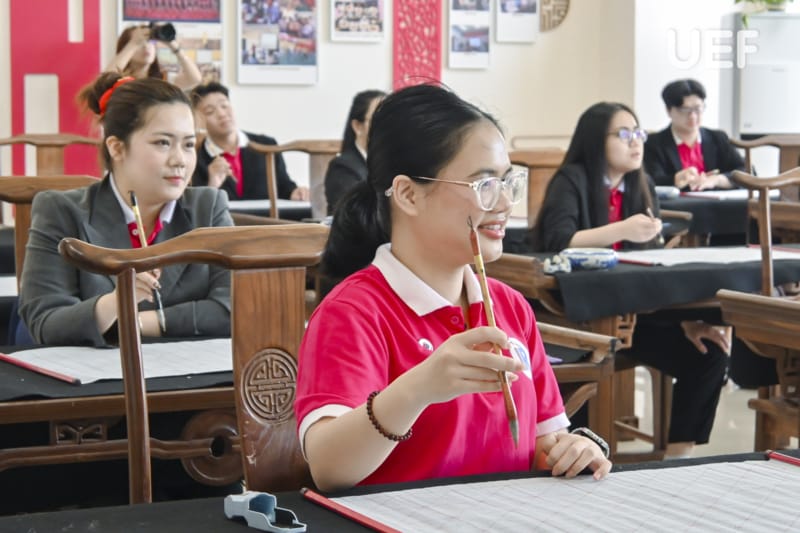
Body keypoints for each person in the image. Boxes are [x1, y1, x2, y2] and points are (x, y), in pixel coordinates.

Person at [295, 84, 612, 492]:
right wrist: (419, 388)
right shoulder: (353, 312)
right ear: (408, 194)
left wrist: (573, 450)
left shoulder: (510, 306)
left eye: (507, 182)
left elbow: (542, 443)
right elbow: (329, 468)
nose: (505, 204)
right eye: (485, 185)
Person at [534, 102, 729, 459]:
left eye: (638, 133)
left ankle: (677, 458)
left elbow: (651, 268)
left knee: (707, 352)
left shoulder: (641, 184)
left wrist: (684, 320)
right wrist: (621, 230)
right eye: (624, 134)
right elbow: (558, 242)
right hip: (576, 317)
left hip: (635, 316)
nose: (636, 141)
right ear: (596, 140)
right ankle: (581, 457)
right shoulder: (572, 179)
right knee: (587, 368)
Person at [19, 72, 232, 346]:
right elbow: (46, 322)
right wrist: (116, 301)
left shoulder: (209, 207)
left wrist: (136, 323)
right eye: (163, 143)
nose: (180, 160)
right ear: (117, 148)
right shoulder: (60, 211)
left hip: (190, 370)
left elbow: (234, 307)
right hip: (96, 373)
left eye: (189, 144)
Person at [190, 82, 310, 201]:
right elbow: (194, 205)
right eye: (210, 111)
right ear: (199, 121)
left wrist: (296, 193)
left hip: (266, 214)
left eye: (224, 106)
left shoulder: (267, 145)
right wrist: (212, 184)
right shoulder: (195, 156)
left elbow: (284, 186)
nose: (221, 114)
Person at [644, 79, 745, 191]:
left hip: (718, 200)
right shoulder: (654, 143)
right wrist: (674, 180)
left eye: (697, 109)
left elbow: (747, 171)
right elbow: (648, 180)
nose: (692, 116)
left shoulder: (718, 138)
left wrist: (718, 180)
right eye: (684, 110)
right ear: (668, 110)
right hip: (677, 202)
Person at [324, 89, 385, 215]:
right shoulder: (343, 168)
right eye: (378, 119)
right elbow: (356, 217)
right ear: (358, 126)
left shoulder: (396, 164)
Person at [106, 25, 202, 91]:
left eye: (150, 42)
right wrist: (133, 43)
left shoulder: (163, 80)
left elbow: (194, 79)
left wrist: (174, 46)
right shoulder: (120, 82)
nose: (146, 46)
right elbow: (105, 80)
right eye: (140, 43)